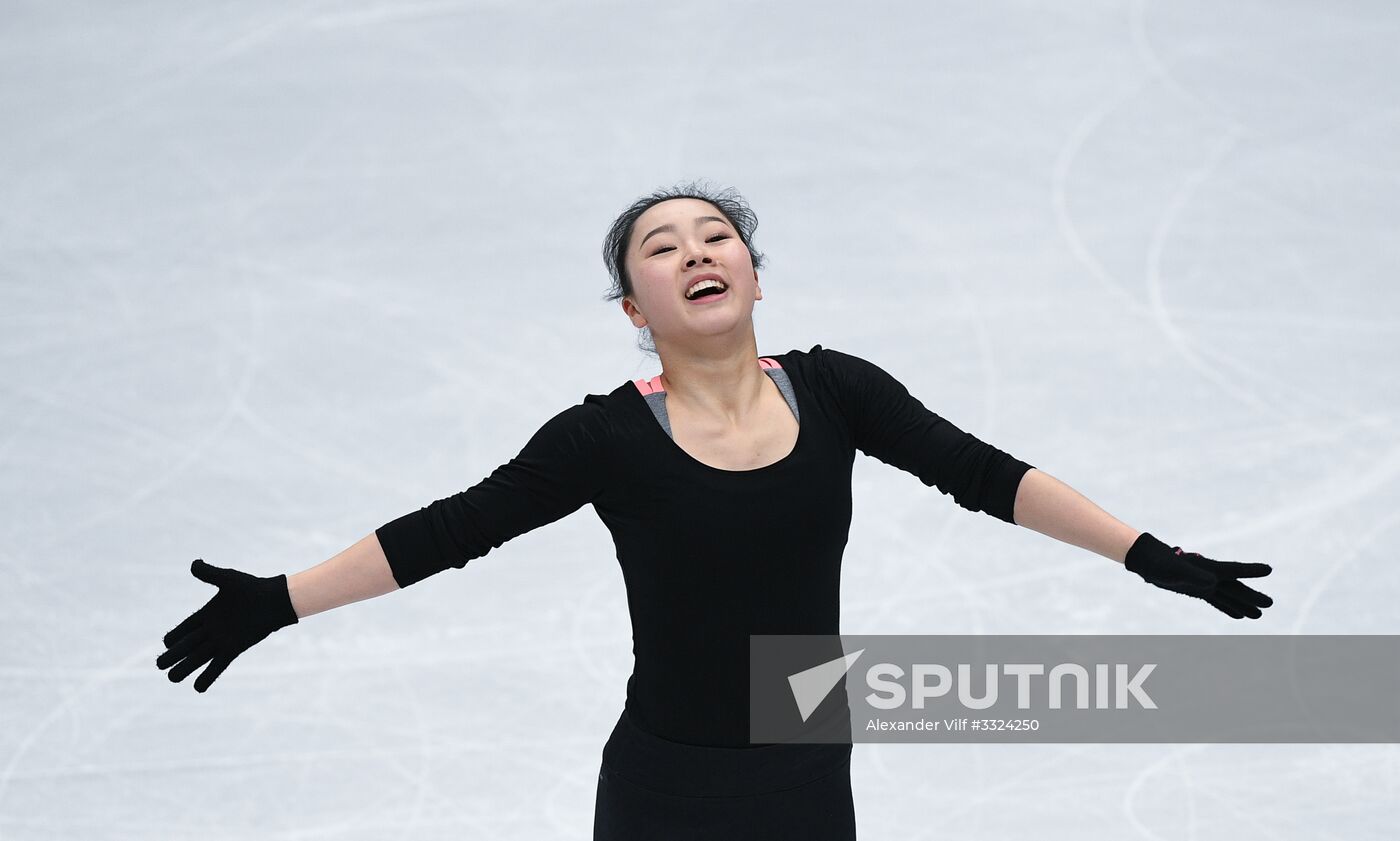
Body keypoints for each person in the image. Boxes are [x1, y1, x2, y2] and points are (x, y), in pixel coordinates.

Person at [156, 181, 1274, 839]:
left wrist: (1146, 555)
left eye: (713, 236)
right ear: (636, 309)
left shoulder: (836, 389)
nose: (694, 251)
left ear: (748, 270)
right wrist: (279, 602)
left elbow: (983, 473)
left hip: (802, 760)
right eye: (661, 247)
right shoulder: (601, 437)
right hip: (665, 777)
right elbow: (449, 531)